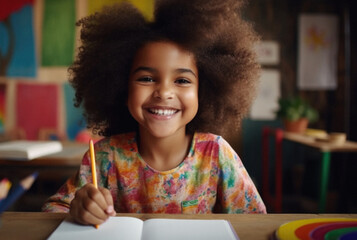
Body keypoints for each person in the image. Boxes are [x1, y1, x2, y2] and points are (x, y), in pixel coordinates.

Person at [42, 0, 267, 226]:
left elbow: (256, 222)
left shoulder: (217, 154)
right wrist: (78, 208)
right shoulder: (104, 157)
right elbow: (52, 210)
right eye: (147, 79)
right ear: (121, 86)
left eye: (182, 80)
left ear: (205, 90)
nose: (164, 92)